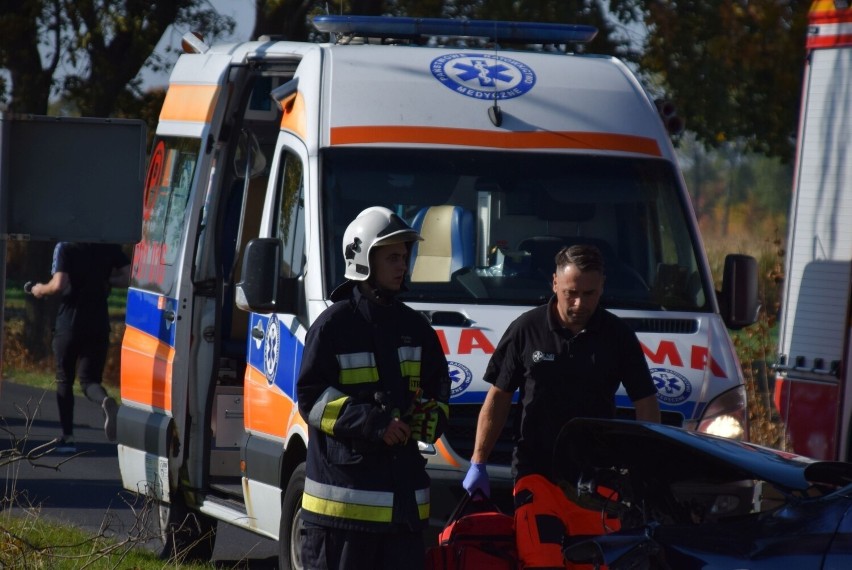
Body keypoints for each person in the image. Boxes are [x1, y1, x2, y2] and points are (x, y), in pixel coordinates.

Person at [463, 244, 660, 568]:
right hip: (536, 473)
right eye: (571, 293)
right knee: (542, 560)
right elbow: (498, 398)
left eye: (590, 293)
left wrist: (645, 466)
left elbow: (646, 402)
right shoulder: (527, 329)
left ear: (602, 288)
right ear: (555, 283)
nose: (580, 303)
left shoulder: (617, 336)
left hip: (596, 481)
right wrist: (478, 461)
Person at [296, 206, 451, 570]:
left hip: (403, 515)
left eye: (405, 256)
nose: (402, 266)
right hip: (342, 515)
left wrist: (427, 419)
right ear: (362, 259)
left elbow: (438, 395)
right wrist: (375, 423)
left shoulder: (415, 328)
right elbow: (312, 398)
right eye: (392, 257)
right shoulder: (333, 327)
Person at [30, 242, 131, 453]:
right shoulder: (108, 245)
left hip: (69, 323)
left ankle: (68, 438)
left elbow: (59, 284)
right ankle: (104, 400)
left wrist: (39, 289)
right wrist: (104, 279)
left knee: (64, 379)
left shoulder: (67, 247)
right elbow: (128, 275)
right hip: (99, 324)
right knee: (89, 380)